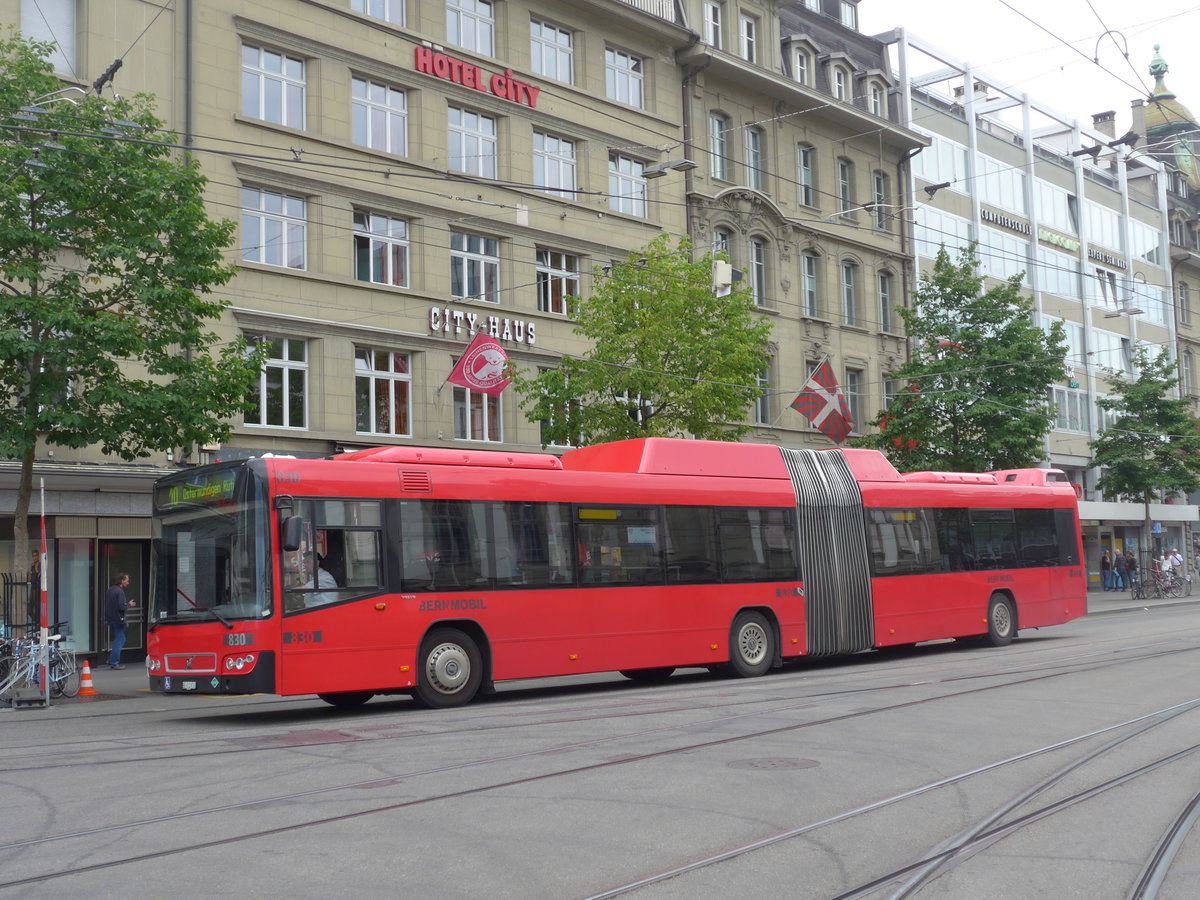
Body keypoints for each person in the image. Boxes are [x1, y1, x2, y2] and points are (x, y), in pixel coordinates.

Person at [104, 573, 135, 669]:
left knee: (119, 639)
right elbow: (122, 607)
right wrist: (129, 604)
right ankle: (114, 662)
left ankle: (111, 659)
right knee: (120, 639)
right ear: (122, 581)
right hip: (118, 619)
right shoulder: (120, 591)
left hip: (110, 618)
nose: (128, 583)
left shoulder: (110, 590)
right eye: (127, 580)